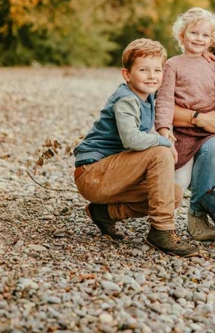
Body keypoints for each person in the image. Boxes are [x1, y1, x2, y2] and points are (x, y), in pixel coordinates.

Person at [73, 39, 199, 257]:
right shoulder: (126, 100)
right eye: (143, 70)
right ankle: (162, 230)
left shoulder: (147, 96)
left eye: (157, 70)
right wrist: (163, 141)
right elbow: (131, 139)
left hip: (112, 176)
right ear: (127, 74)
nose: (152, 76)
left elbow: (172, 101)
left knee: (173, 195)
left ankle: (105, 213)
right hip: (93, 173)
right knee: (160, 152)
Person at [155, 8, 215, 233]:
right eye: (194, 34)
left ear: (211, 39)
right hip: (187, 132)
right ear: (182, 36)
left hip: (213, 130)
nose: (199, 39)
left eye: (204, 35)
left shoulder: (212, 64)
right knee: (180, 180)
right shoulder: (173, 64)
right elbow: (164, 101)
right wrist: (163, 129)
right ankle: (162, 226)